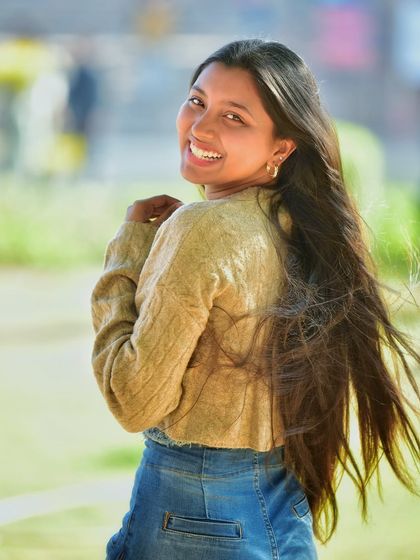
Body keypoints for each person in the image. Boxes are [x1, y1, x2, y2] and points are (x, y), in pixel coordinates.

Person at [90, 39, 419, 559]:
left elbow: (135, 401)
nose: (201, 127)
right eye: (197, 101)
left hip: (193, 507)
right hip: (276, 495)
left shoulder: (202, 228)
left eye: (234, 117)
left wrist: (126, 257)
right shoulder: (292, 225)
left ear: (281, 148)